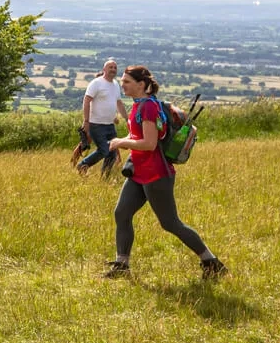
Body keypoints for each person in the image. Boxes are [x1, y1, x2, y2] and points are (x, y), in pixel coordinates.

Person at [104, 66, 227, 281]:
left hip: (156, 174)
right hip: (139, 173)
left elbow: (150, 144)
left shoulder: (149, 108)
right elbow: (138, 134)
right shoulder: (140, 105)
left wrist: (121, 142)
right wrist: (124, 140)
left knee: (170, 223)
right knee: (122, 213)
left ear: (141, 85)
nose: (122, 85)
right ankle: (122, 264)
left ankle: (212, 262)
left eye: (126, 82)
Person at [77, 59, 124, 178]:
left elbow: (118, 103)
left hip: (109, 125)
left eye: (115, 67)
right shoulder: (96, 83)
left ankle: (105, 177)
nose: (113, 69)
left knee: (112, 152)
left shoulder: (115, 84)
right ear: (104, 69)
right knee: (104, 150)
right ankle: (83, 165)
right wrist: (86, 121)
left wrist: (128, 118)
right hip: (96, 124)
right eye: (110, 67)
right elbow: (86, 101)